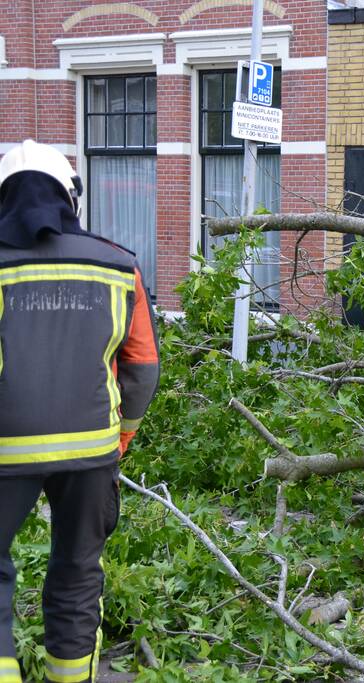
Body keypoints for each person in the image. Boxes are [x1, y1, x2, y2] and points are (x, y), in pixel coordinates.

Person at [0, 140, 160, 683]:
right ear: (71, 196)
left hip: (4, 452)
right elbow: (143, 368)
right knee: (76, 576)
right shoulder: (118, 264)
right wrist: (118, 443)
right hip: (92, 453)